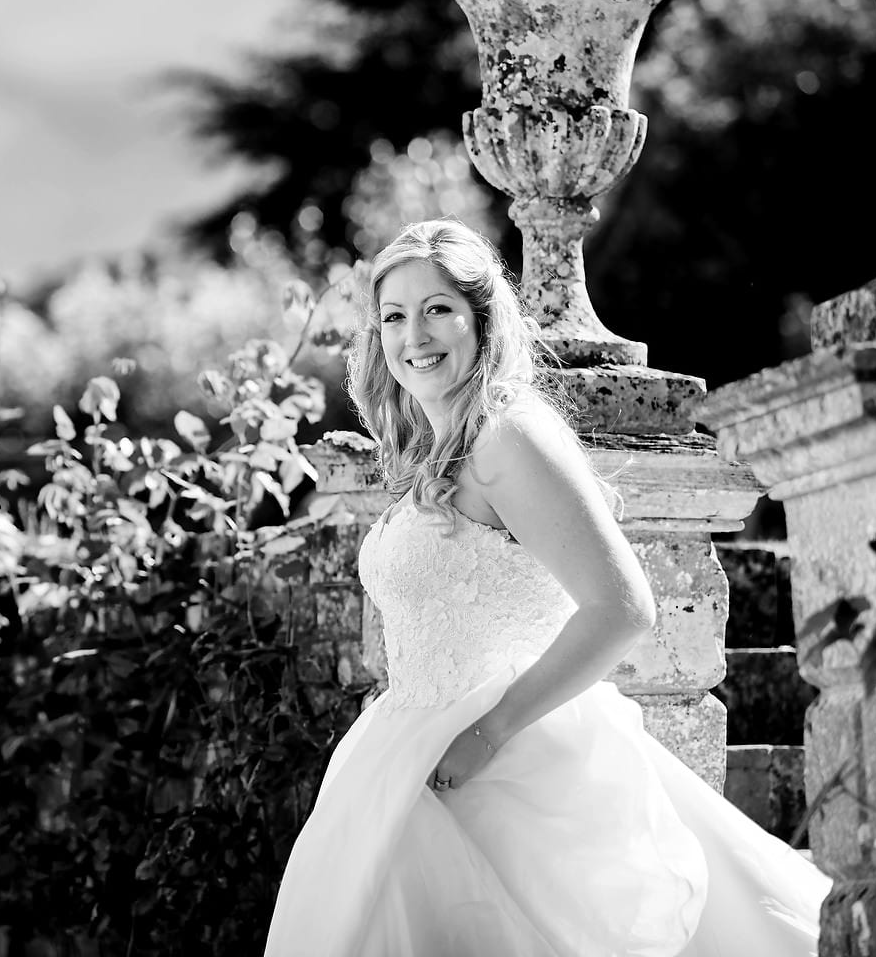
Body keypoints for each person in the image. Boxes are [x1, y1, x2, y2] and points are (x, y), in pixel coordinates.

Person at [264, 219, 831, 955]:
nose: (414, 334)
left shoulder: (508, 438)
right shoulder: (435, 453)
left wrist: (486, 734)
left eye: (437, 308)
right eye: (394, 316)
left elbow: (623, 607)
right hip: (406, 756)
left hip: (504, 767)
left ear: (480, 317)